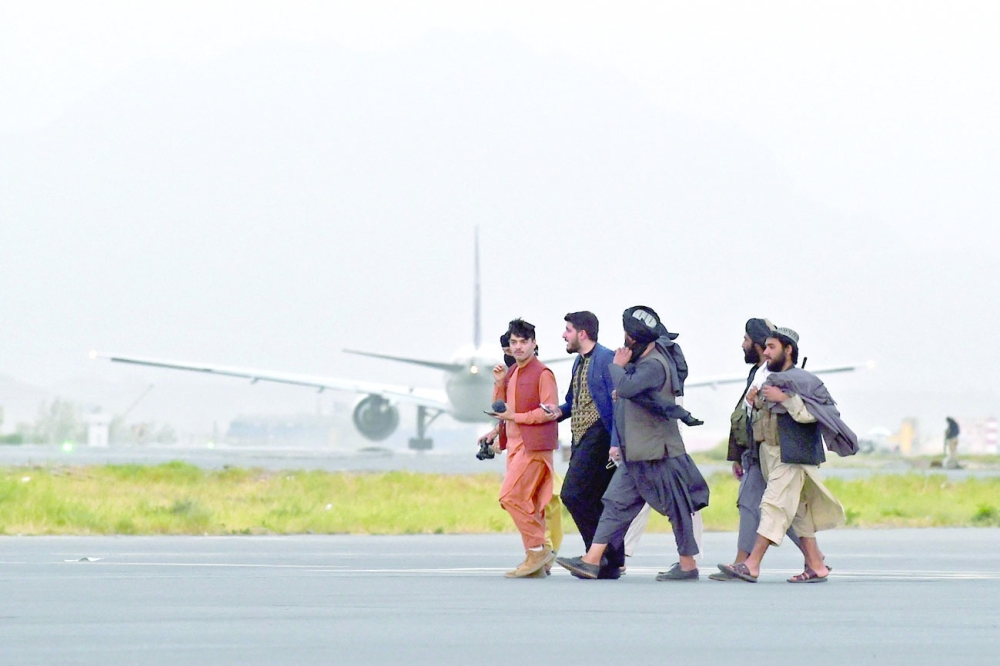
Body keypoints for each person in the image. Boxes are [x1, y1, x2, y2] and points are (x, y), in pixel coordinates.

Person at [556, 306, 709, 582]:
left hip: (658, 452)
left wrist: (616, 366)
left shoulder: (655, 365)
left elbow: (626, 388)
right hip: (635, 452)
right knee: (614, 504)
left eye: (627, 336)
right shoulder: (642, 361)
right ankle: (592, 560)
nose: (624, 341)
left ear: (634, 339)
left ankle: (687, 565)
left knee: (676, 508)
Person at [722, 327, 852, 584]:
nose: (766, 352)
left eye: (772, 347)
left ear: (788, 349)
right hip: (769, 455)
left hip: (790, 456)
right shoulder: (768, 379)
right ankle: (816, 566)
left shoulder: (805, 381)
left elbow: (813, 415)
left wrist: (785, 398)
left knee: (773, 507)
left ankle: (752, 564)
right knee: (797, 513)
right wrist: (755, 402)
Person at [709, 318, 809, 581]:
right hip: (757, 453)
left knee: (755, 505)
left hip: (773, 453)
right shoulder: (758, 373)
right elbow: (745, 414)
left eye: (746, 339)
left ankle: (745, 564)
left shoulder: (779, 376)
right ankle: (816, 561)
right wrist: (738, 454)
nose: (743, 344)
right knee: (785, 510)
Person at [479, 331, 564, 567]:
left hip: (534, 446)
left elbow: (549, 411)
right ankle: (539, 557)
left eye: (522, 342)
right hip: (516, 446)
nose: (516, 348)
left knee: (513, 497)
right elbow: (504, 409)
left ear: (534, 343)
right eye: (512, 344)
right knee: (532, 503)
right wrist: (497, 430)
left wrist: (514, 417)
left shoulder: (542, 373)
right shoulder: (514, 371)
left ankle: (538, 550)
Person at [547, 311, 620, 579]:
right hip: (581, 436)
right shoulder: (580, 361)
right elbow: (574, 399)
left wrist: (616, 442)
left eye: (567, 330)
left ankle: (597, 555)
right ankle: (609, 561)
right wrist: (559, 412)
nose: (564, 335)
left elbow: (616, 404)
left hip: (599, 435)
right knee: (595, 499)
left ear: (582, 333)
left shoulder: (605, 358)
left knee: (573, 494)